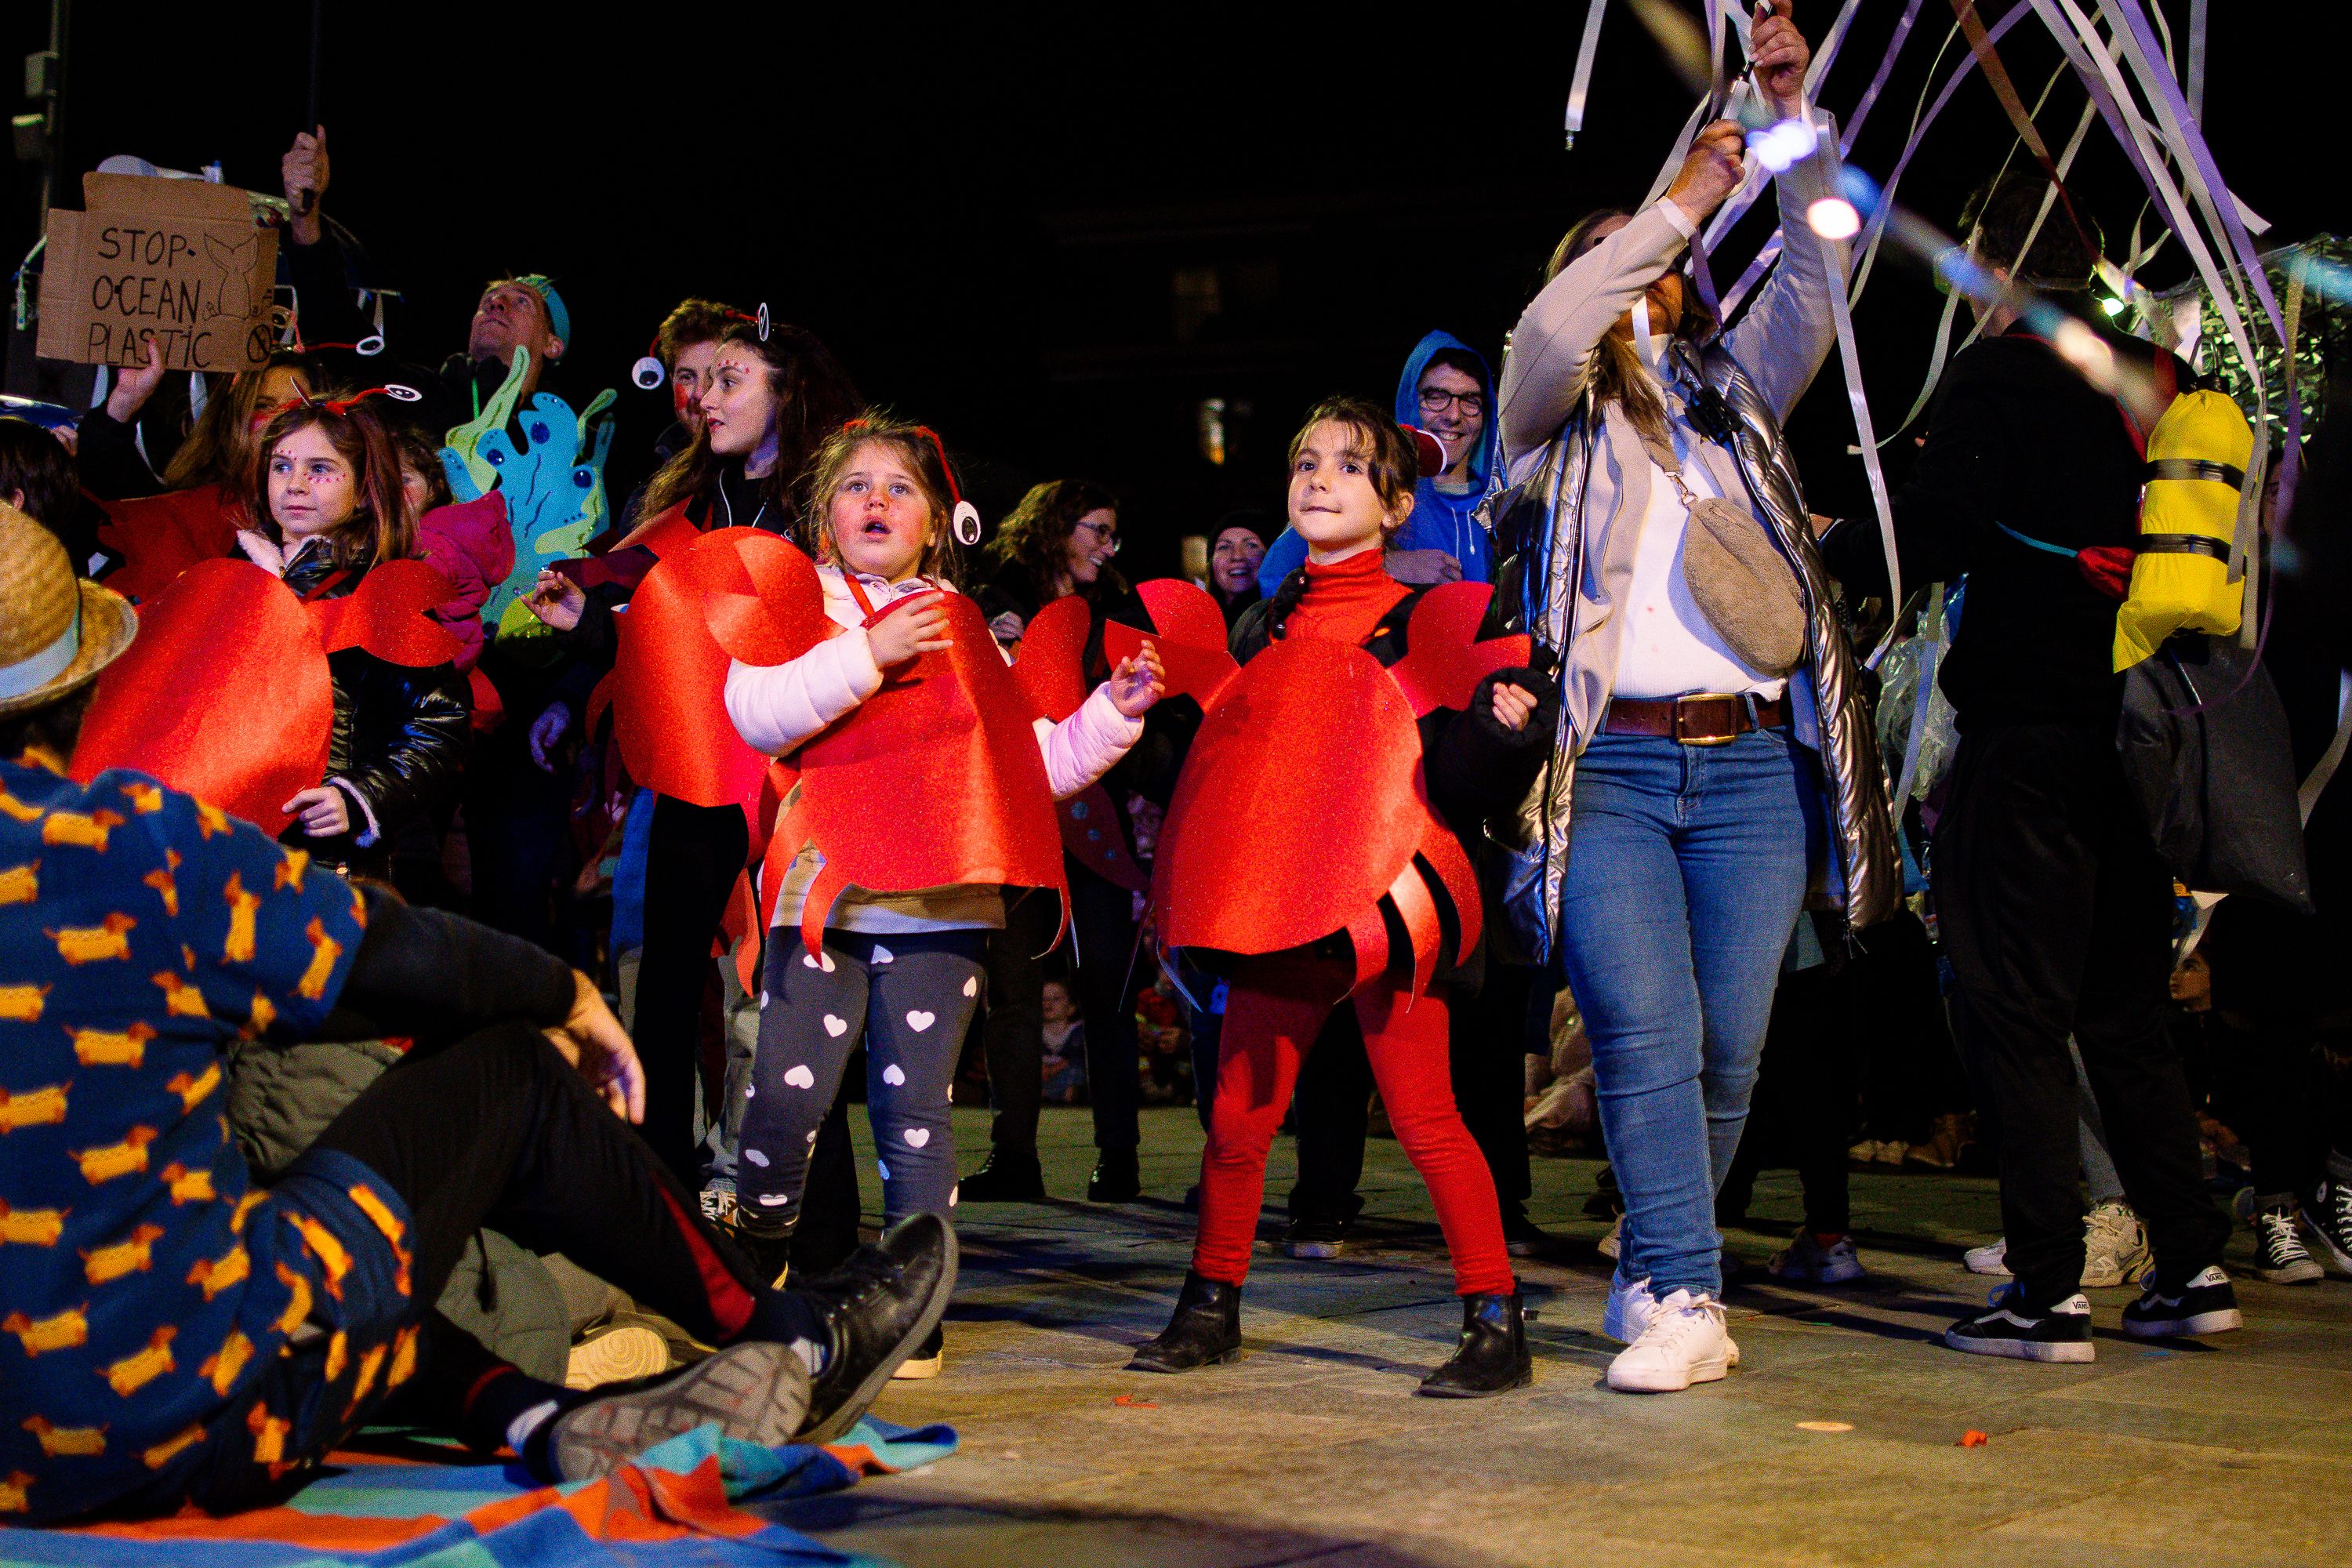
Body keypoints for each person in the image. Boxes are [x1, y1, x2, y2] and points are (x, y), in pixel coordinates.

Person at [0, 503, 954, 1523]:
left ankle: (535, 1420)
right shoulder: (127, 845)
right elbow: (401, 955)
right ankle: (796, 1332)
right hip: (202, 1422)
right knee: (500, 1079)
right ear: (86, 690)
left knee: (294, 1233)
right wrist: (564, 994)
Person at [1492, 1, 1897, 1393]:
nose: (1646, 272)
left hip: (1750, 774)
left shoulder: (1738, 395)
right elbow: (1554, 327)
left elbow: (1820, 273)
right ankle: (1685, 1295)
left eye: (1662, 260)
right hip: (1610, 770)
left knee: (1733, 1044)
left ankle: (1655, 1258)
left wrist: (1790, 127)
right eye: (1621, 258)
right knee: (1646, 1035)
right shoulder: (1552, 417)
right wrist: (1679, 200)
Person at [1813, 168, 2239, 1362]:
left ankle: (2046, 1287)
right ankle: (2191, 1267)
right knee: (2124, 1009)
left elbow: (1931, 537)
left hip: (2030, 734)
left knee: (2008, 1003)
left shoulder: (2000, 373)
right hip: (2143, 737)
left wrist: (1838, 539)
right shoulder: (2163, 380)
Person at [1129, 397, 1554, 1396]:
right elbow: (1218, 772)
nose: (1320, 480)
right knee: (1238, 1116)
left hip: (1390, 905)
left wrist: (1503, 733)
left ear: (1397, 505)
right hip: (1282, 903)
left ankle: (1497, 1319)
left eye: (1350, 468)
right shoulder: (1262, 620)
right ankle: (1209, 1304)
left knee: (1426, 1116)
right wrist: (1134, 714)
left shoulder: (1430, 620)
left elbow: (1458, 783)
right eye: (1306, 463)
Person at [721, 418, 1163, 1377]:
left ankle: (913, 1310)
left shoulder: (962, 625)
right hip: (823, 895)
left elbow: (1027, 765)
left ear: (935, 524)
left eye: (900, 488)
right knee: (783, 1102)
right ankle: (752, 1252)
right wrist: (868, 653)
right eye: (855, 486)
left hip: (940, 906)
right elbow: (755, 708)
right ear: (822, 513)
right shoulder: (803, 607)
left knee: (915, 1111)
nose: (876, 501)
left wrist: (1109, 718)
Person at [524, 318, 862, 1192]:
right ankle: (660, 1171)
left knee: (791, 980)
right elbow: (674, 643)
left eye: (729, 379)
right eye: (700, 382)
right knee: (668, 976)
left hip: (799, 772)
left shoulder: (830, 503)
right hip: (697, 764)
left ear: (787, 388)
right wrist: (590, 623)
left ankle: (808, 1200)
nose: (703, 399)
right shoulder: (691, 506)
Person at [963, 478, 1157, 1203]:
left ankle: (1119, 1154)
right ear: (1054, 527)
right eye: (1097, 530)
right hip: (1011, 812)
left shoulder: (1119, 605)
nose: (1108, 548)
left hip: (1091, 812)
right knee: (1009, 986)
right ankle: (1014, 1156)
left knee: (1107, 979)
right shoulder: (991, 595)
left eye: (1113, 534)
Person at [236, 394, 472, 880]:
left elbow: (440, 723)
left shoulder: (379, 592)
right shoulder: (235, 574)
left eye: (320, 469)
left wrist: (358, 795)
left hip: (322, 855)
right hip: (229, 835)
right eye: (281, 467)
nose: (295, 485)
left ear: (364, 491)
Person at [1256, 332, 1503, 594]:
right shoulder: (1369, 492)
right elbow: (1277, 579)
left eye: (1470, 401)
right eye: (1436, 397)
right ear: (1410, 400)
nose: (1454, 415)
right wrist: (1384, 565)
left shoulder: (1503, 506)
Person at [1206, 510, 1271, 626]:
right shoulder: (1196, 623)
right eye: (1224, 547)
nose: (1237, 556)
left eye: (1252, 545)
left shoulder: (1282, 621)